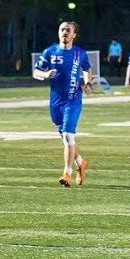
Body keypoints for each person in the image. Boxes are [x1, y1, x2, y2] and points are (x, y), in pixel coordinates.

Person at [33, 21, 93, 187]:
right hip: (55, 101)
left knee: (68, 135)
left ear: (74, 34)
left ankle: (67, 173)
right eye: (62, 29)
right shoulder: (50, 52)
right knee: (67, 138)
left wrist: (88, 84)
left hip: (73, 99)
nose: (64, 32)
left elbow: (87, 69)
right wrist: (45, 74)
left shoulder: (79, 53)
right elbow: (35, 72)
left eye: (68, 30)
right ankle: (81, 163)